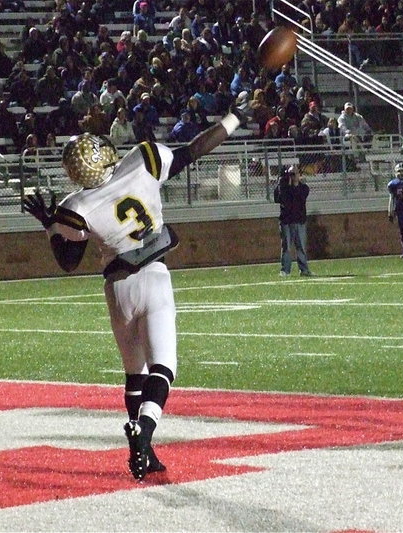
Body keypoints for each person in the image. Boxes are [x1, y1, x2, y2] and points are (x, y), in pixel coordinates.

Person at [21, 105, 251, 481]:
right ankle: (144, 430)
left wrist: (49, 225)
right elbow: (194, 150)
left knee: (134, 374)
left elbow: (68, 261)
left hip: (117, 288)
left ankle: (141, 453)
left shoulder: (75, 207)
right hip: (154, 276)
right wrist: (233, 118)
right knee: (163, 366)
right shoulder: (140, 160)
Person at [274, 165, 312, 277]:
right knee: (286, 247)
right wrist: (285, 183)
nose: (292, 176)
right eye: (291, 174)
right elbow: (280, 198)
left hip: (299, 221)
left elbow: (299, 197)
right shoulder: (283, 187)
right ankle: (285, 270)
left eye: (294, 174)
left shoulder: (304, 188)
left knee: (301, 247)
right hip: (286, 221)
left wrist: (295, 185)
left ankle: (304, 269)